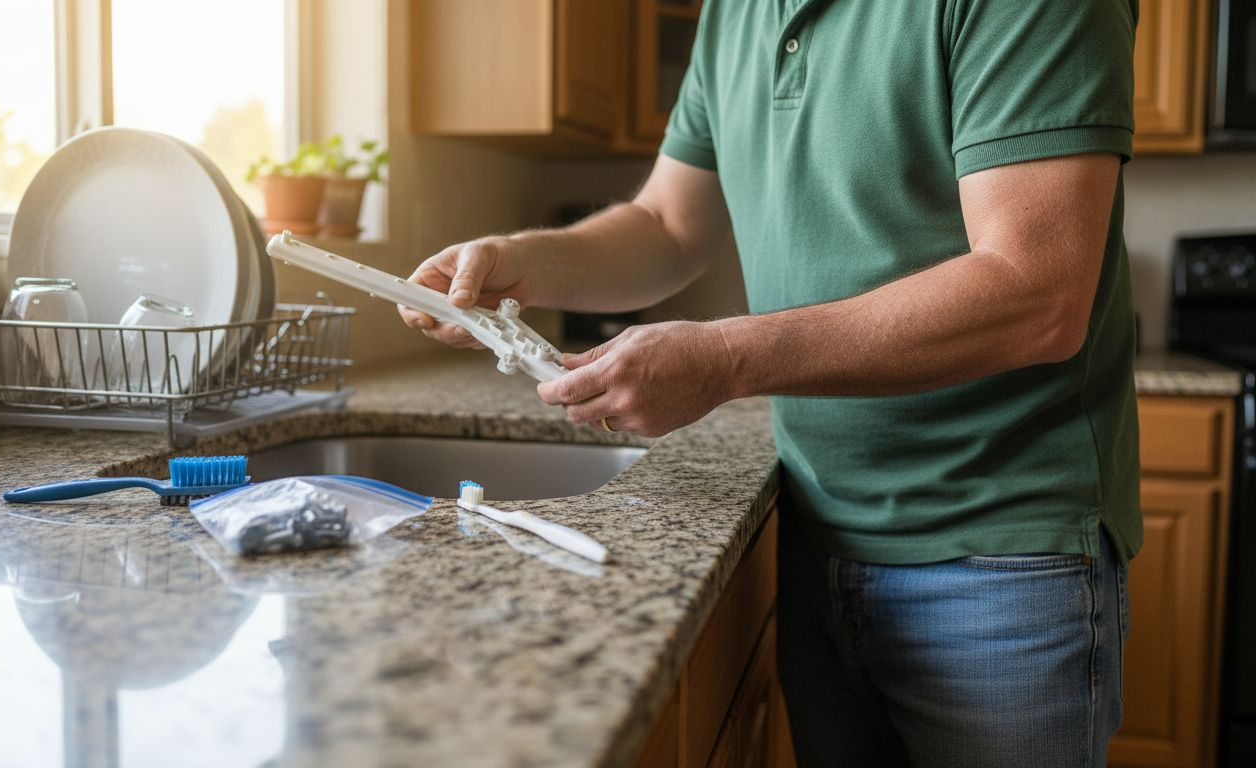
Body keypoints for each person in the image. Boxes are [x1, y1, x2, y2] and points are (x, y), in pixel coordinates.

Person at [399, 0, 1140, 765]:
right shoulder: (736, 12)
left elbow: (1037, 291)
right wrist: (519, 262)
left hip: (1003, 556)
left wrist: (725, 357)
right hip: (816, 530)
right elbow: (667, 224)